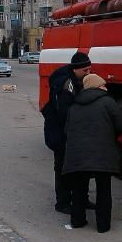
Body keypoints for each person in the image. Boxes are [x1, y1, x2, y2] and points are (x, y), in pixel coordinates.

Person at [63, 74, 122, 233]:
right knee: (104, 190)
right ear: (98, 86)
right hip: (102, 154)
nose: (106, 87)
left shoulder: (74, 105)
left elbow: (66, 130)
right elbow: (121, 125)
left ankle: (77, 221)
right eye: (104, 85)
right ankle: (103, 226)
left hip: (77, 155)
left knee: (78, 189)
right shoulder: (108, 102)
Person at [42, 51, 93, 214]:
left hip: (69, 132)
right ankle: (62, 202)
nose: (88, 73)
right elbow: (65, 113)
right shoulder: (65, 84)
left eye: (89, 70)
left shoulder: (74, 79)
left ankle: (81, 199)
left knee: (79, 167)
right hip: (61, 133)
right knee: (63, 168)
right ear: (76, 69)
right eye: (85, 71)